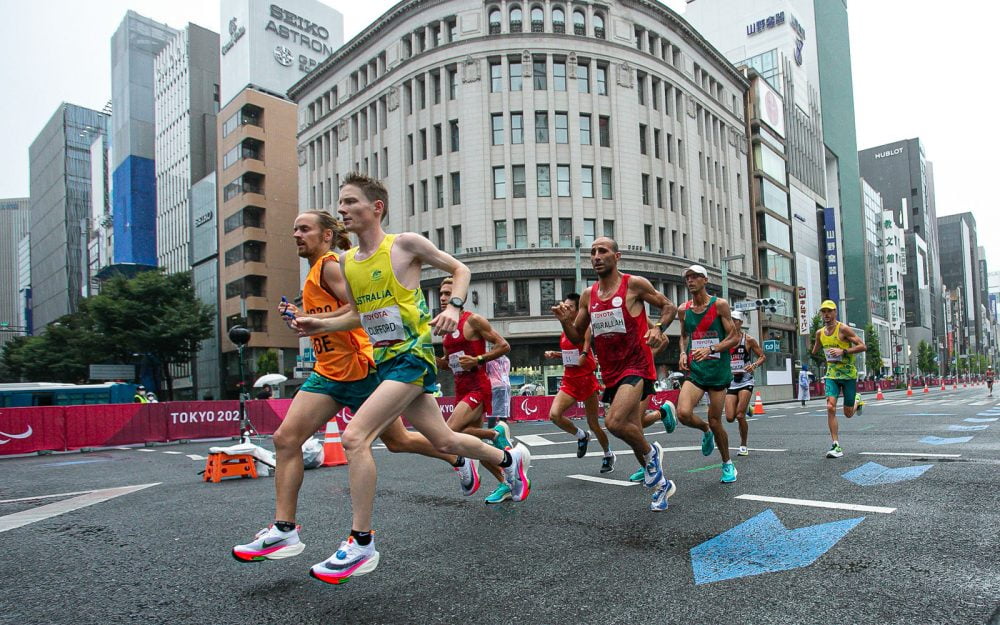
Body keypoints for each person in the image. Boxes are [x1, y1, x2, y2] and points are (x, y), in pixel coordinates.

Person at [291, 174, 530, 584]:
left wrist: (454, 306)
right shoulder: (348, 262)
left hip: (413, 358)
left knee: (355, 438)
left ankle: (361, 542)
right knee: (444, 440)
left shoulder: (403, 245)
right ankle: (510, 459)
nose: (343, 209)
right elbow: (358, 316)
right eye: (341, 203)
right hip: (385, 362)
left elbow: (460, 268)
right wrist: (316, 323)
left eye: (350, 202)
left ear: (376, 207)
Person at [233, 211, 476, 565]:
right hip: (328, 372)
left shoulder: (333, 266)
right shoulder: (317, 271)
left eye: (305, 229)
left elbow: (360, 309)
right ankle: (284, 530)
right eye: (295, 229)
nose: (296, 234)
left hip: (360, 368)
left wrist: (319, 321)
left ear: (328, 235)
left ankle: (454, 458)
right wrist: (306, 320)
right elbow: (339, 312)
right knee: (286, 439)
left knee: (398, 441)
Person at [552, 237, 678, 511]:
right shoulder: (588, 295)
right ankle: (661, 486)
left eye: (603, 251)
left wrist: (657, 328)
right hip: (610, 372)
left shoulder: (634, 284)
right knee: (632, 427)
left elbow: (669, 306)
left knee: (615, 422)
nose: (596, 256)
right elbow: (576, 336)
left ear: (617, 256)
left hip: (637, 365)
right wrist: (565, 321)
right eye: (593, 252)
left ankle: (652, 454)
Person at [436, 277, 517, 504]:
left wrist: (478, 358)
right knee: (473, 447)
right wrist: (435, 361)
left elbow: (504, 345)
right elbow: (449, 361)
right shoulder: (445, 327)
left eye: (447, 293)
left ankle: (495, 434)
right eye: (441, 293)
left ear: (459, 295)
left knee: (449, 431)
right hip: (461, 388)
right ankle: (506, 482)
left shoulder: (474, 321)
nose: (442, 298)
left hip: (478, 387)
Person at [674, 265, 741, 484]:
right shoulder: (683, 310)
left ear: (705, 280)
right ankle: (704, 431)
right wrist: (683, 352)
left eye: (695, 277)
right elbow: (683, 335)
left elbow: (735, 337)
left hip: (718, 371)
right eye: (687, 278)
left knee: (715, 420)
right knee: (683, 413)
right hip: (696, 370)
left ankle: (727, 463)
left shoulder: (719, 305)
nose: (690, 280)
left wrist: (711, 349)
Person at [545, 292, 616, 473]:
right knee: (554, 415)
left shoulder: (585, 327)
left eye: (570, 308)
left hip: (586, 381)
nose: (566, 310)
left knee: (594, 423)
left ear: (578, 311)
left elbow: (585, 345)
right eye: (565, 307)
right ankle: (581, 435)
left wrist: (585, 354)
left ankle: (608, 454)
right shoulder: (564, 331)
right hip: (569, 382)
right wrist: (556, 354)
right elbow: (571, 354)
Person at [810, 300, 867, 458]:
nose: (826, 315)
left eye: (829, 311)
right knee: (830, 407)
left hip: (848, 375)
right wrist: (816, 345)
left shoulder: (843, 329)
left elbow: (863, 346)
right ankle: (836, 445)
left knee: (848, 413)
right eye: (823, 312)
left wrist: (843, 351)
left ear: (835, 312)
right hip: (832, 375)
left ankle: (857, 401)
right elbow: (815, 350)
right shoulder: (820, 333)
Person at [724, 310, 765, 457]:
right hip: (732, 381)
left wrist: (753, 365)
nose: (732, 323)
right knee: (729, 417)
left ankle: (743, 445)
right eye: (730, 320)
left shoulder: (748, 340)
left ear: (740, 323)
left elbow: (762, 356)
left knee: (740, 416)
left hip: (746, 380)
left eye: (735, 320)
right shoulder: (725, 340)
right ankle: (747, 405)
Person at [485, 354, 512, 429]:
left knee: (492, 412)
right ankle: (503, 434)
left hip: (494, 386)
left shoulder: (489, 360)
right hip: (505, 386)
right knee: (503, 413)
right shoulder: (506, 360)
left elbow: (486, 372)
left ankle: (491, 434)